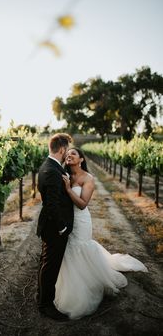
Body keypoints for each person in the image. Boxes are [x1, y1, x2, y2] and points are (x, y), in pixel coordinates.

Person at [54, 147, 148, 320]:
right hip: (67, 220)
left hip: (81, 221)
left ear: (81, 159)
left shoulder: (88, 178)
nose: (69, 156)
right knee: (68, 251)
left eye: (73, 154)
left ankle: (86, 286)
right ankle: (70, 285)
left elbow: (82, 204)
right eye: (67, 155)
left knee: (79, 248)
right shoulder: (64, 174)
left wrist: (68, 189)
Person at [36, 133, 74, 321]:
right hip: (54, 228)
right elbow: (52, 204)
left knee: (46, 263)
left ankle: (41, 298)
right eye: (67, 149)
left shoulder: (49, 166)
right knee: (50, 267)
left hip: (50, 226)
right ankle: (46, 306)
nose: (67, 152)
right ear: (61, 149)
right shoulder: (52, 170)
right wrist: (62, 227)